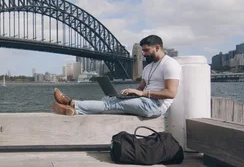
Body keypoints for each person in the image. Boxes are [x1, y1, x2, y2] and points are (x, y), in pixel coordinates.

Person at [52, 35, 182, 117]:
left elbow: (170, 93)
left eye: (146, 50)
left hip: (156, 106)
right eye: (142, 50)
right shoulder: (148, 67)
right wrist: (130, 93)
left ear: (157, 47)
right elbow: (141, 88)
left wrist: (141, 94)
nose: (143, 54)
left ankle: (71, 103)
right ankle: (73, 111)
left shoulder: (170, 64)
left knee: (111, 104)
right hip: (145, 101)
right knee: (107, 99)